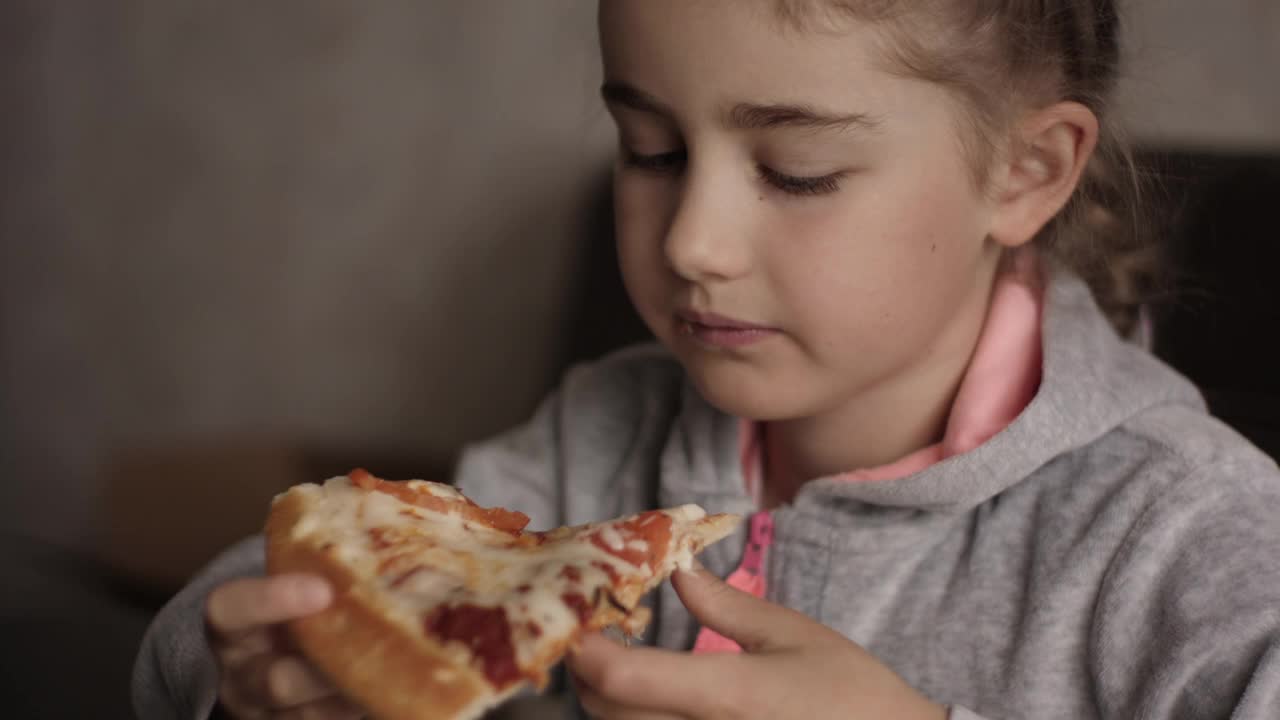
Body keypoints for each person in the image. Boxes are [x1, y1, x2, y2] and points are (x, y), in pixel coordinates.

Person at [133, 2, 1280, 718]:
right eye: (650, 150)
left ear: (1024, 174)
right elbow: (229, 607)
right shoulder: (598, 439)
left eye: (793, 171)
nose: (690, 241)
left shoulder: (1183, 527)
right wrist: (253, 675)